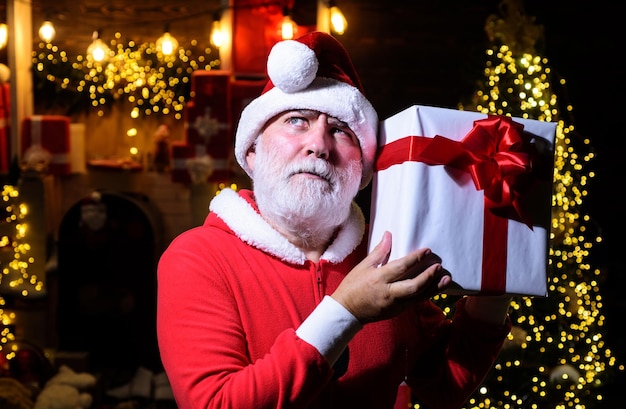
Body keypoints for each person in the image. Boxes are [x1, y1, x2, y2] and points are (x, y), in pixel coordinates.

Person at [157, 31, 512, 409]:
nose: (320, 145)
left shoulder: (383, 253)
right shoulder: (198, 258)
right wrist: (346, 312)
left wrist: (498, 280)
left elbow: (444, 384)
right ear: (253, 150)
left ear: (361, 169)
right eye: (297, 120)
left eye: (341, 130)